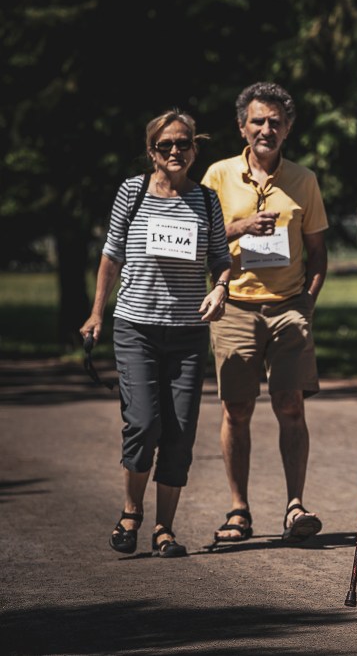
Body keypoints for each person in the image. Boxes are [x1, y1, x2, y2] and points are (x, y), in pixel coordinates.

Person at [81, 109, 231, 558]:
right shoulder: (132, 191)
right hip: (137, 329)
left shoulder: (206, 200)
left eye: (183, 143)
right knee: (145, 424)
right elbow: (111, 256)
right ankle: (131, 513)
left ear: (195, 149)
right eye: (165, 145)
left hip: (188, 333)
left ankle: (164, 528)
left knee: (180, 433)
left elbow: (221, 259)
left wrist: (221, 287)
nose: (175, 151)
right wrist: (96, 314)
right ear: (152, 151)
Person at [202, 82, 330, 545]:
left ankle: (295, 507)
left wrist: (307, 303)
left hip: (289, 307)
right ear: (242, 126)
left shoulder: (303, 179)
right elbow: (200, 238)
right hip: (234, 305)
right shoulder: (218, 175)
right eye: (258, 121)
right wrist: (241, 226)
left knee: (290, 404)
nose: (266, 129)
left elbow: (318, 253)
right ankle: (239, 510)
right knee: (236, 409)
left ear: (288, 128)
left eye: (276, 122)